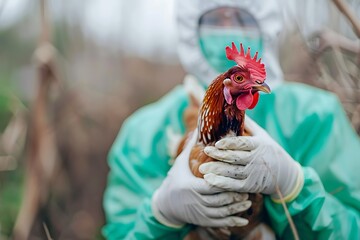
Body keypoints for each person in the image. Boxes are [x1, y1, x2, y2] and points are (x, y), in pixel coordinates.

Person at [102, 0, 360, 239]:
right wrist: (161, 214)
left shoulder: (316, 115)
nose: (228, 28)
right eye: (214, 19)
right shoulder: (144, 132)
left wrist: (294, 184)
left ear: (264, 23)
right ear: (191, 26)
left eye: (241, 17)